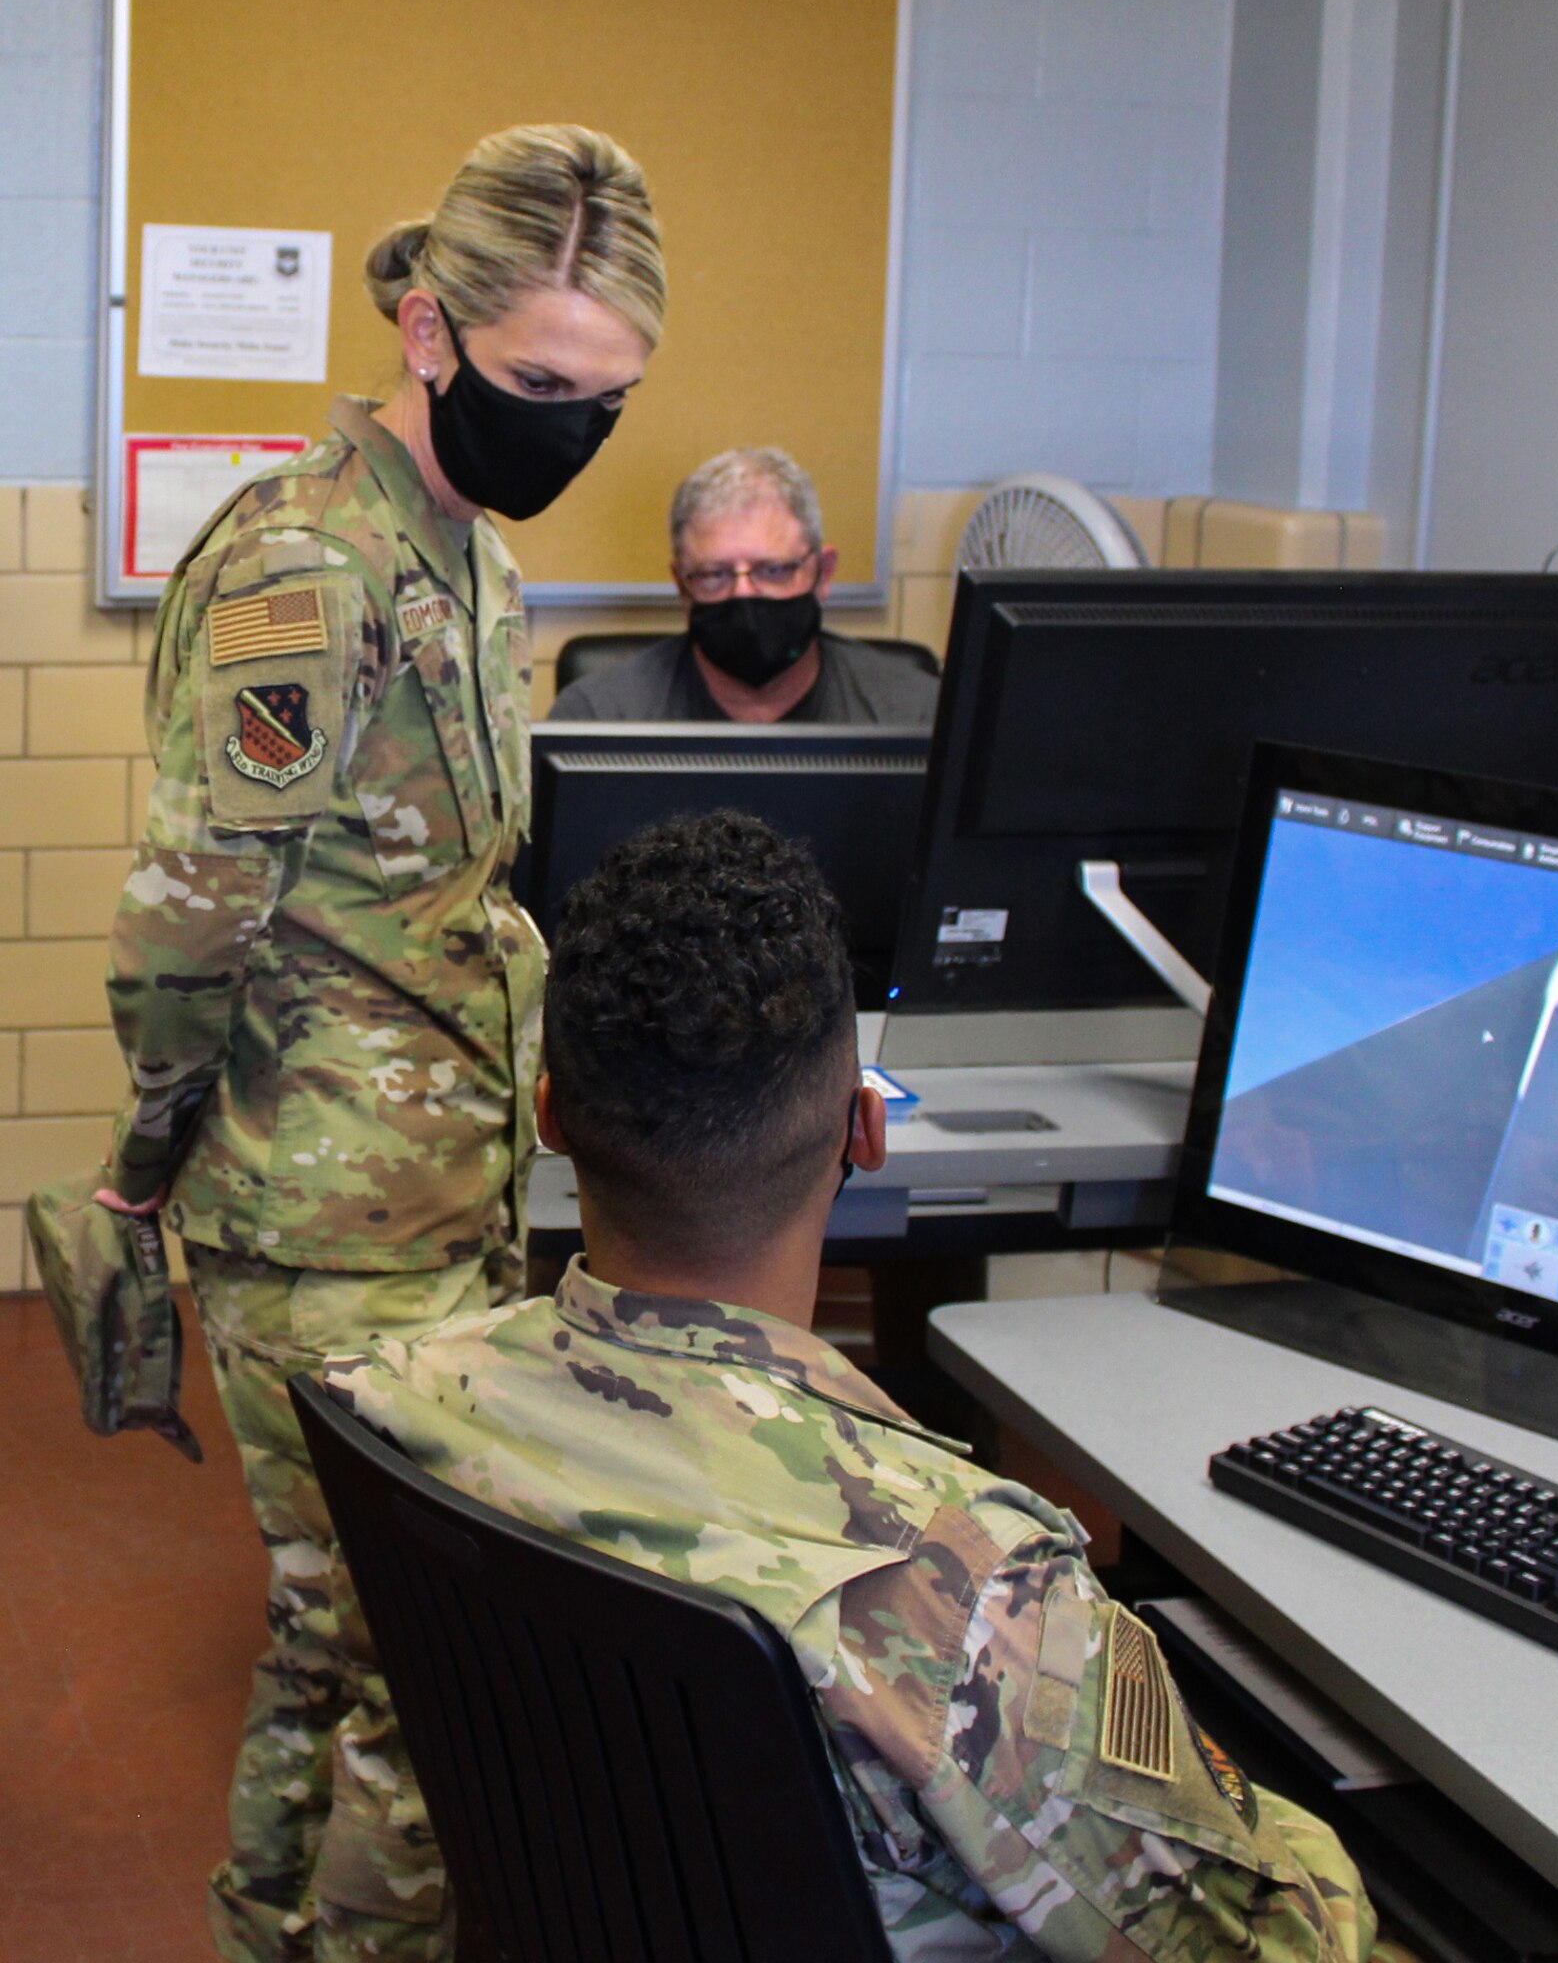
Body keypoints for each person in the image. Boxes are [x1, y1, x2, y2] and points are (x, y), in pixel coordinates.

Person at [328, 812, 1406, 1962]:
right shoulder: (975, 1592)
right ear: (865, 1126)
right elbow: (1263, 1940)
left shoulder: (400, 1402)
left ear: (546, 1118)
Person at [96, 124, 667, 1963]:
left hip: (440, 1192)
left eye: (609, 398)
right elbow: (192, 913)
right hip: (320, 1209)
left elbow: (454, 885)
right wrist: (156, 1152)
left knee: (349, 1633)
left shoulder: (467, 557)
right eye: (541, 386)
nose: (574, 431)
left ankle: (268, 1928)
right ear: (430, 334)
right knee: (410, 1657)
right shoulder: (308, 567)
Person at [546, 445, 939, 723]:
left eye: (773, 571)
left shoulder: (917, 716)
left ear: (824, 573)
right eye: (715, 574)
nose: (744, 595)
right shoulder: (600, 716)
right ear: (683, 586)